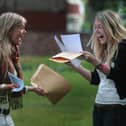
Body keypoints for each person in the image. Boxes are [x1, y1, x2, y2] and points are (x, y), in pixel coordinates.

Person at [67, 10, 126, 126]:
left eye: (100, 27)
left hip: (116, 110)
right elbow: (96, 79)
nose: (96, 31)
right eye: (95, 28)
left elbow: (119, 76)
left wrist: (96, 62)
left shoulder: (123, 48)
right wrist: (74, 64)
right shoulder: (104, 51)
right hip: (98, 108)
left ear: (111, 27)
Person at [0, 12, 47, 126]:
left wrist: (32, 89)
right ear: (9, 29)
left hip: (5, 116)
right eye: (21, 28)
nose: (24, 32)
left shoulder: (11, 56)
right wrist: (4, 87)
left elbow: (13, 86)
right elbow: (6, 86)